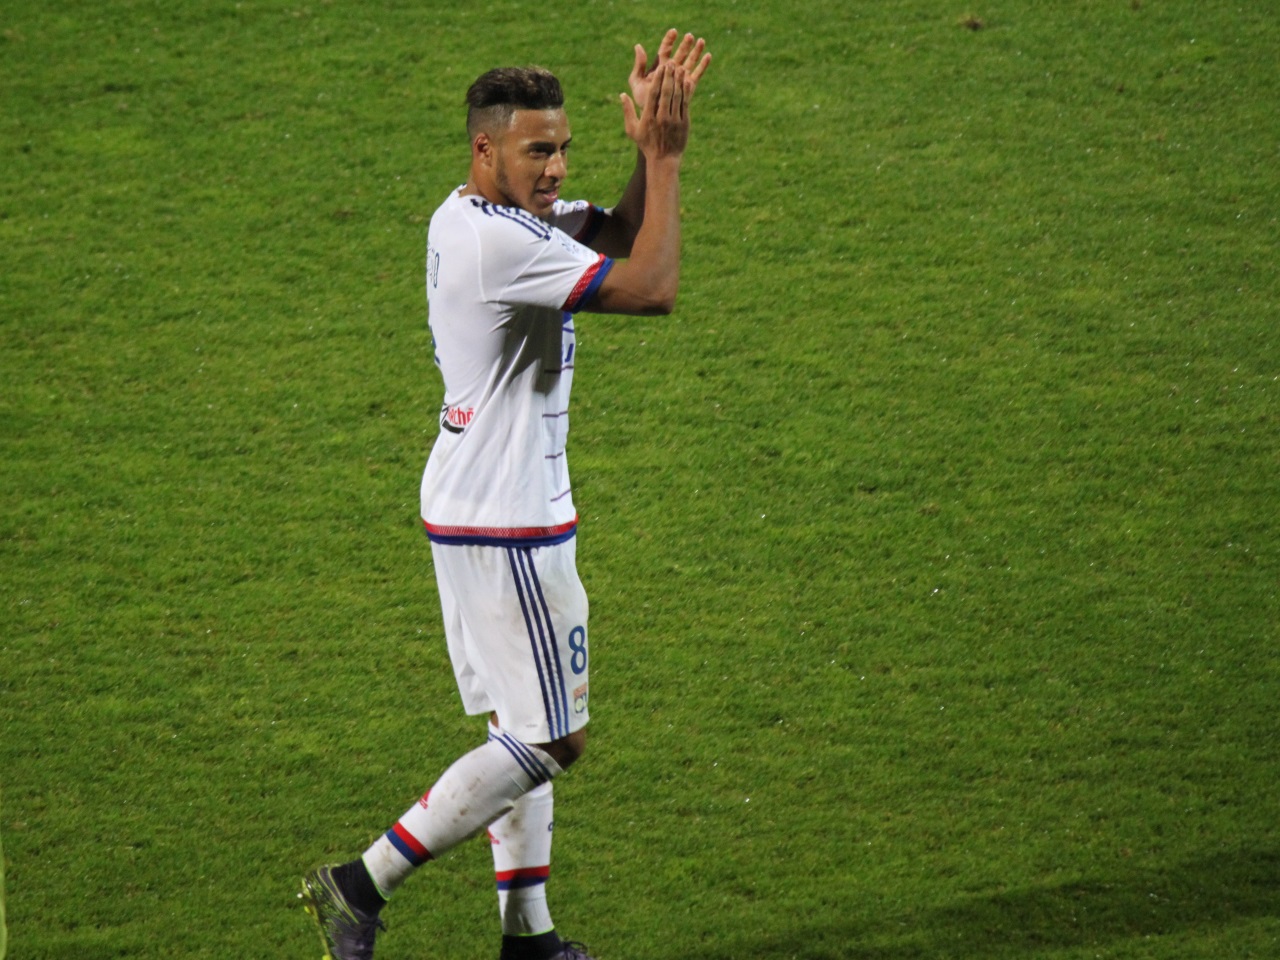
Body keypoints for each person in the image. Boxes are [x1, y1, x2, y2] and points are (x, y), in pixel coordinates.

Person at [301, 30, 711, 960]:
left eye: (565, 146)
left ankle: (528, 937)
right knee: (553, 738)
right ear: (485, 149)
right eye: (538, 150)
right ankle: (360, 883)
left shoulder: (482, 219)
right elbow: (650, 285)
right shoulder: (495, 243)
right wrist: (668, 159)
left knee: (517, 724)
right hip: (508, 521)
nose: (558, 166)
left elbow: (610, 237)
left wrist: (647, 156)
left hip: (480, 504)